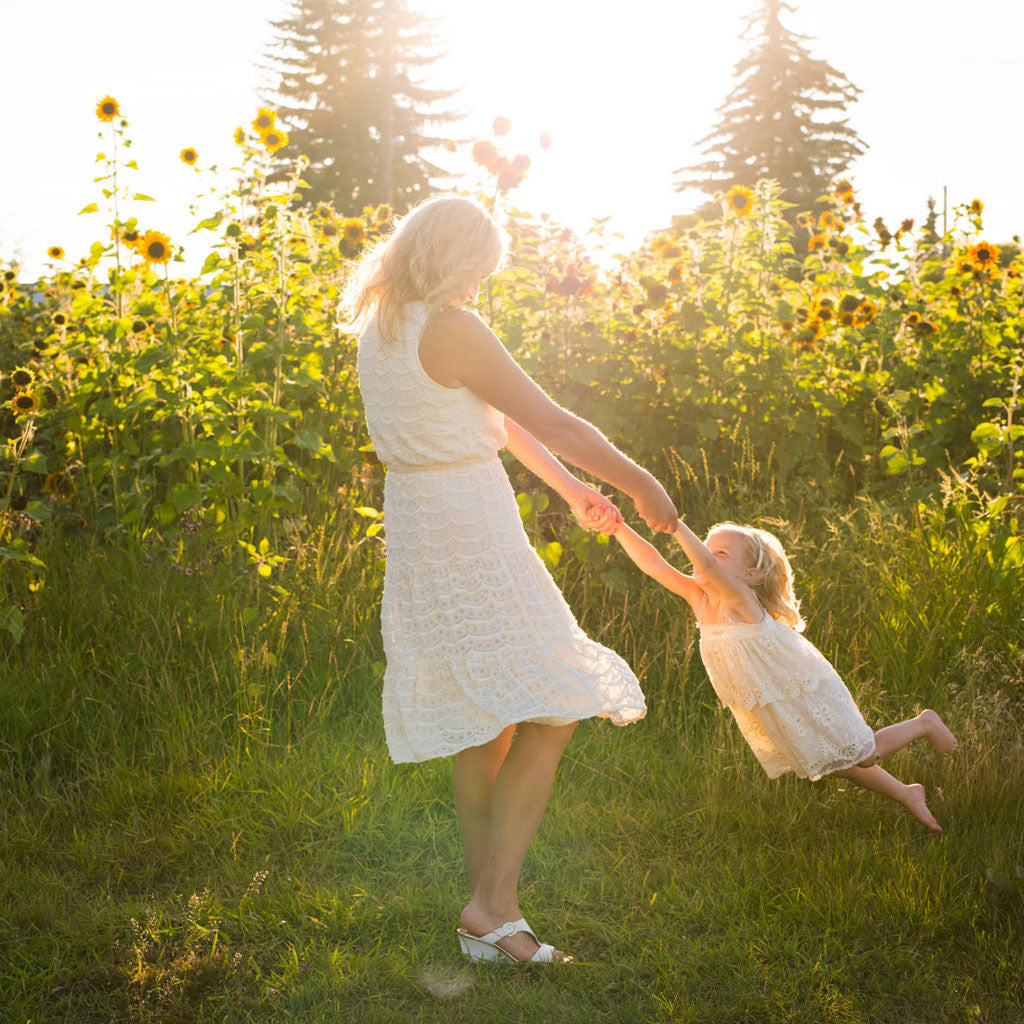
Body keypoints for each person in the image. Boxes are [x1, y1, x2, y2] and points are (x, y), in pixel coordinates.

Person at [347, 194, 678, 964]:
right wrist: (639, 482)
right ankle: (492, 906)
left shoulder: (382, 326)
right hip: (470, 526)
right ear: (453, 261)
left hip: (424, 522)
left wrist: (570, 491)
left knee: (484, 715)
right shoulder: (450, 325)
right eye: (477, 272)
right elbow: (554, 418)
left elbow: (499, 418)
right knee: (556, 699)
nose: (477, 289)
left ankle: (487, 915)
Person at [592, 513, 957, 832]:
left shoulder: (740, 598)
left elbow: (704, 566)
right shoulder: (700, 599)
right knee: (831, 762)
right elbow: (654, 565)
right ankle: (908, 793)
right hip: (771, 699)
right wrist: (620, 528)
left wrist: (674, 526)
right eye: (709, 548)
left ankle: (924, 723)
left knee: (860, 754)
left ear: (751, 574)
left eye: (721, 553)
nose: (706, 557)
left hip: (802, 688)